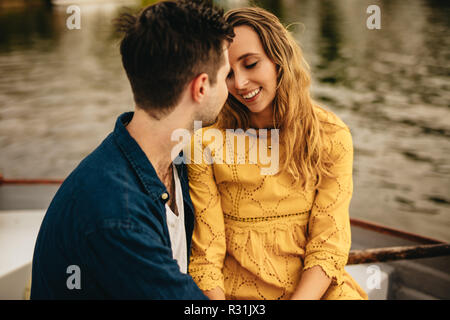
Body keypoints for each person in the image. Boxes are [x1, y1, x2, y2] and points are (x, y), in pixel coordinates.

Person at [30, 0, 234, 299]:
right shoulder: (117, 215)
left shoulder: (175, 159)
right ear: (201, 87)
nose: (233, 87)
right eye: (226, 74)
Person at [186, 7, 368, 300]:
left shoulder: (331, 135)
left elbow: (328, 245)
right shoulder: (205, 145)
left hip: (318, 293)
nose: (241, 83)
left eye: (251, 64)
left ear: (278, 58)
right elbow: (206, 258)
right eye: (229, 74)